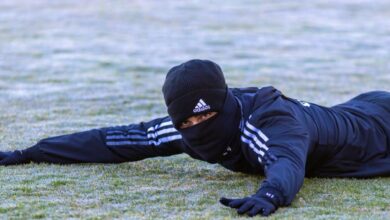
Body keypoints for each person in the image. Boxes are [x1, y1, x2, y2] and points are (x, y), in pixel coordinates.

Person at [1, 59, 389, 217]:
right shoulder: (184, 124)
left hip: (379, 130)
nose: (198, 123)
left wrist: (271, 196)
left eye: (207, 114)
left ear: (223, 104)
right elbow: (111, 141)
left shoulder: (269, 120)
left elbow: (285, 159)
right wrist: (28, 153)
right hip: (359, 108)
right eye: (188, 118)